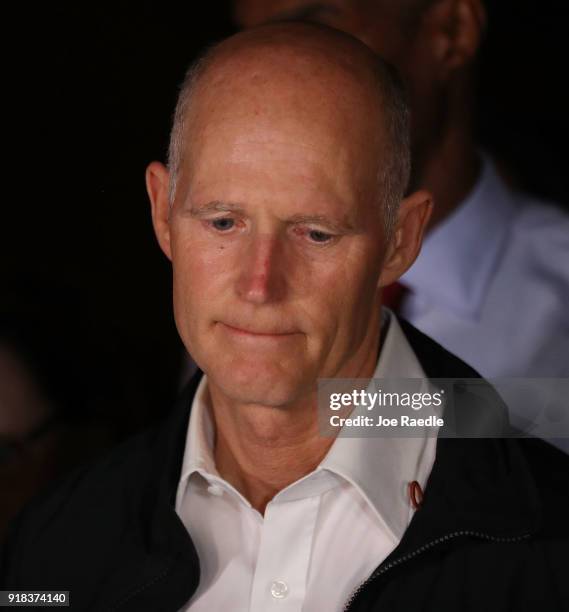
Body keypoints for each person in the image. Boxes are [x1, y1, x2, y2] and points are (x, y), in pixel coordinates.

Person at [1, 24, 567, 611]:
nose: (260, 285)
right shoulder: (51, 553)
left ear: (400, 241)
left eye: (316, 233)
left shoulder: (551, 550)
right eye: (223, 222)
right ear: (162, 213)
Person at [232, 0, 569, 450]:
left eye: (319, 28)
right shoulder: (238, 290)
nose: (274, 78)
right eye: (249, 45)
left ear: (451, 29)